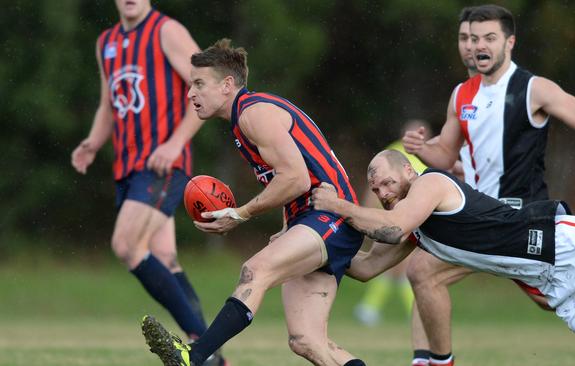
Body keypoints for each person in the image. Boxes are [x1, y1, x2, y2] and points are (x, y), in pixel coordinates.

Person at [402, 4, 575, 366]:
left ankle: (435, 361)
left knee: (426, 270)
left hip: (521, 216)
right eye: (467, 38)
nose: (475, 46)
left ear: (510, 42)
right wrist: (424, 149)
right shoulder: (462, 95)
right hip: (476, 214)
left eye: (487, 37)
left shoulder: (533, 89)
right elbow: (444, 152)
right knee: (425, 271)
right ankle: (430, 359)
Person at [140, 38, 367, 366]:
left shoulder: (253, 114)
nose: (190, 93)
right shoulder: (245, 118)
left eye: (199, 84)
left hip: (332, 217)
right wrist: (288, 226)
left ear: (227, 85)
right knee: (306, 340)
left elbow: (297, 178)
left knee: (254, 271)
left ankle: (194, 356)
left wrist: (240, 213)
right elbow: (293, 180)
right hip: (312, 219)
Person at [312, 149, 575, 366]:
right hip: (558, 285)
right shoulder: (416, 227)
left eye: (387, 183)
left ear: (408, 172)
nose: (383, 194)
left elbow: (392, 228)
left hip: (564, 239)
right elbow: (367, 267)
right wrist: (312, 247)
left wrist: (337, 206)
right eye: (376, 191)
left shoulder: (429, 184)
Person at [71, 1, 226, 365]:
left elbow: (206, 86)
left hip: (161, 166)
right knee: (164, 258)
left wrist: (174, 144)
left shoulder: (166, 31)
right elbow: (109, 103)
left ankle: (203, 349)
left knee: (126, 244)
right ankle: (213, 358)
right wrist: (94, 142)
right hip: (129, 167)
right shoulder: (106, 42)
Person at [353, 120, 429, 327]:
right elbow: (377, 187)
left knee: (397, 267)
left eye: (421, 133)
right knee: (399, 266)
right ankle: (413, 310)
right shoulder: (394, 153)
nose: (417, 137)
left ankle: (370, 308)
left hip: (417, 215)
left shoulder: (428, 153)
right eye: (412, 133)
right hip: (400, 216)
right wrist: (371, 216)